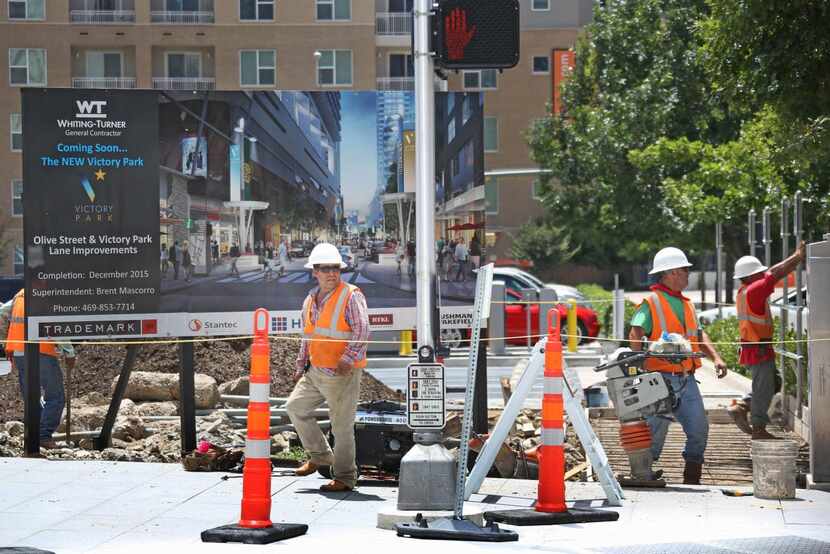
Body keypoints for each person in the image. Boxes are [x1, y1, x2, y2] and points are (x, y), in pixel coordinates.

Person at [629, 246, 728, 485]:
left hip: (686, 378)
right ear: (671, 272)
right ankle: (642, 476)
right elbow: (635, 333)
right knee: (654, 432)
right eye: (684, 270)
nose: (687, 274)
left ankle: (692, 479)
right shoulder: (650, 302)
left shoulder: (687, 304)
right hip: (656, 378)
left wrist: (716, 357)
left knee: (699, 429)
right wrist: (639, 354)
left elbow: (699, 335)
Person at [286, 243, 369, 492]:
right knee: (295, 408)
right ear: (315, 271)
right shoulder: (310, 300)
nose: (332, 273)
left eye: (335, 268)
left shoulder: (351, 295)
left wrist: (348, 357)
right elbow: (308, 336)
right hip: (315, 371)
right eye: (325, 269)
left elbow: (363, 329)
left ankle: (345, 477)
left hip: (342, 373)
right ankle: (320, 456)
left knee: (341, 426)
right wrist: (301, 365)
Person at [729, 242, 806, 439]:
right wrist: (797, 257)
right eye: (759, 273)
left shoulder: (745, 291)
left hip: (756, 346)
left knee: (774, 381)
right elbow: (775, 273)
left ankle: (743, 405)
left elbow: (772, 273)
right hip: (758, 348)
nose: (762, 275)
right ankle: (759, 428)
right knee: (763, 387)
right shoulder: (754, 290)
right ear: (750, 276)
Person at [3, 289, 76, 449]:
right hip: (41, 352)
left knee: (31, 396)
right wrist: (69, 351)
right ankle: (43, 435)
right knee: (55, 396)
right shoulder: (47, 294)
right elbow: (56, 326)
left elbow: (3, 311)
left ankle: (35, 435)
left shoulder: (20, 294)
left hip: (19, 352)